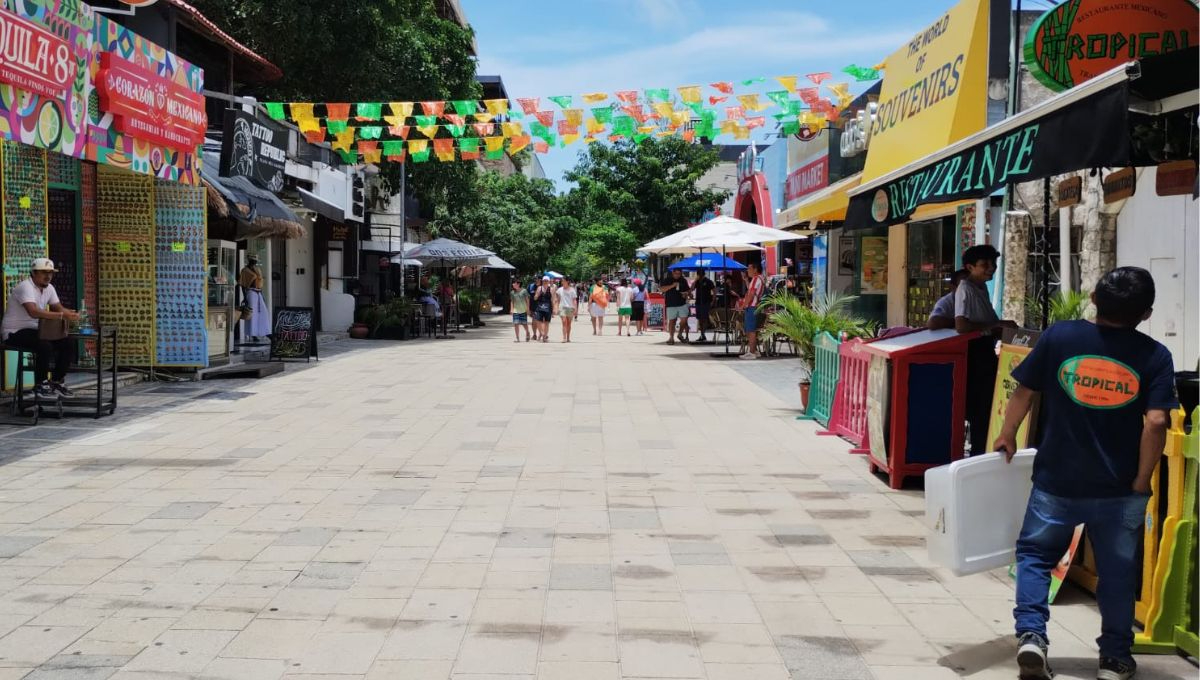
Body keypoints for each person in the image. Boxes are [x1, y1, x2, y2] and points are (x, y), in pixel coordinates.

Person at [995, 267, 1176, 680]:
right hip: (1119, 489)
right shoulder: (1155, 356)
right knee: (1116, 571)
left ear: (1093, 297)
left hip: (1057, 479)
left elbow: (1024, 390)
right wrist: (1141, 479)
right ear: (1146, 314)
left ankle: (1031, 637)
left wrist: (1008, 435)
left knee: (1036, 556)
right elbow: (1156, 423)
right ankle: (1114, 658)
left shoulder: (1059, 337)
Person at [955, 244, 1017, 453]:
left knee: (986, 407)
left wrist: (999, 325)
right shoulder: (966, 289)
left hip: (986, 350)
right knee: (980, 408)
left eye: (993, 264)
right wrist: (994, 326)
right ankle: (978, 451)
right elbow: (961, 326)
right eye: (985, 265)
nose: (991, 268)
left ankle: (983, 447)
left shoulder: (981, 288)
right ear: (970, 267)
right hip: (975, 353)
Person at [1, 259, 79, 398]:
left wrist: (72, 314)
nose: (48, 276)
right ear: (34, 273)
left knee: (68, 342)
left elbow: (58, 307)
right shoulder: (26, 287)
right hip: (14, 332)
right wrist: (62, 315)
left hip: (36, 330)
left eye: (50, 273)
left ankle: (56, 381)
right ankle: (40, 384)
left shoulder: (49, 288)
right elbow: (33, 312)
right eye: (44, 272)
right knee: (44, 345)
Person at [238, 256, 270, 341]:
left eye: (256, 260)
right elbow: (243, 285)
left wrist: (262, 296)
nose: (255, 262)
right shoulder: (245, 270)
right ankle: (253, 334)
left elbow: (260, 283)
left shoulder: (257, 269)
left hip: (258, 292)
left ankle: (264, 332)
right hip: (251, 292)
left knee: (263, 313)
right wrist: (245, 297)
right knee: (253, 314)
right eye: (253, 260)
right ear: (249, 260)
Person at [739, 262, 766, 359]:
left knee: (751, 330)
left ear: (755, 269)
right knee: (751, 329)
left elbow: (751, 294)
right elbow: (751, 291)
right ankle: (754, 350)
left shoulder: (755, 279)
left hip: (751, 307)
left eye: (749, 269)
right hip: (755, 306)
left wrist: (743, 305)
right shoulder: (760, 278)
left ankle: (752, 353)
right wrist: (746, 280)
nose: (747, 271)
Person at [660, 268, 690, 345]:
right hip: (671, 304)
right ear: (673, 273)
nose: (677, 275)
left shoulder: (683, 280)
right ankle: (671, 337)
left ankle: (680, 334)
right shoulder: (667, 280)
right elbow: (662, 289)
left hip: (682, 303)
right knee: (672, 321)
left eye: (679, 274)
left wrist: (686, 293)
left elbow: (688, 290)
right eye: (676, 273)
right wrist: (672, 285)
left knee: (684, 320)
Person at [692, 268, 716, 343]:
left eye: (701, 275)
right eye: (699, 275)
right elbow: (692, 288)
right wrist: (695, 280)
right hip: (698, 302)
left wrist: (713, 300)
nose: (700, 276)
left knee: (705, 318)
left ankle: (703, 333)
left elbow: (714, 291)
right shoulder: (697, 282)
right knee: (699, 318)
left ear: (704, 274)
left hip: (706, 302)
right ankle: (702, 334)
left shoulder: (708, 281)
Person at [532, 276, 554, 343]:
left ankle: (544, 337)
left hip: (548, 307)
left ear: (549, 281)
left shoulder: (551, 289)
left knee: (546, 322)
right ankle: (542, 332)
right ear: (542, 281)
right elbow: (535, 298)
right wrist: (536, 295)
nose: (545, 282)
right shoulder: (539, 288)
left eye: (547, 281)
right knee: (538, 320)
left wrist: (553, 309)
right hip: (540, 306)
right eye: (544, 280)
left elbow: (553, 299)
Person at [557, 277, 578, 342]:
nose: (562, 282)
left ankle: (568, 337)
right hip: (562, 307)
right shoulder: (559, 290)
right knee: (564, 322)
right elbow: (557, 299)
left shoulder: (572, 290)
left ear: (567, 281)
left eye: (563, 281)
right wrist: (556, 307)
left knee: (569, 323)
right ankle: (564, 338)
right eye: (562, 281)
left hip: (570, 308)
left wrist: (575, 309)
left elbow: (574, 300)